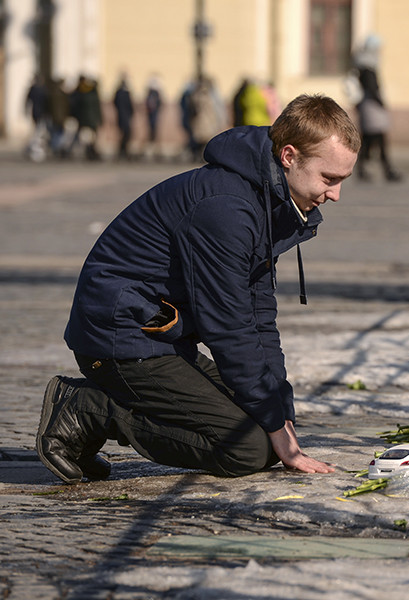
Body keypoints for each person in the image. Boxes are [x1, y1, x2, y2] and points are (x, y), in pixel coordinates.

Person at [35, 94, 361, 485]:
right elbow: (229, 326)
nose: (336, 195)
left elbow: (259, 315)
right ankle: (88, 409)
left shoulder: (268, 201)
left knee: (266, 418)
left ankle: (102, 410)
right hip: (119, 340)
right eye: (330, 179)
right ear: (289, 156)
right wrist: (275, 427)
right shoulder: (226, 208)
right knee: (247, 448)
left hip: (159, 336)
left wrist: (281, 412)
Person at [351, 35, 402, 182]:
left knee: (368, 140)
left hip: (367, 106)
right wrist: (381, 103)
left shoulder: (361, 64)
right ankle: (387, 170)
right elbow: (372, 88)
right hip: (372, 107)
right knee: (379, 138)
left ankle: (363, 170)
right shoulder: (367, 67)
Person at [68, 75, 103, 161]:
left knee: (84, 136)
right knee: (89, 137)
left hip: (84, 118)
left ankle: (88, 151)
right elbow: (97, 109)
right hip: (90, 119)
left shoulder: (83, 93)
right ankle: (90, 151)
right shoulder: (91, 94)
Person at [113, 73, 135, 161]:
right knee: (126, 133)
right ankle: (123, 151)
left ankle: (123, 150)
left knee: (125, 134)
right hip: (124, 116)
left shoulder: (119, 92)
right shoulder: (125, 93)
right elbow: (129, 105)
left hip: (122, 115)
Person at [144, 74, 163, 160]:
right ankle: (152, 150)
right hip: (152, 117)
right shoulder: (154, 93)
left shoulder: (151, 93)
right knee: (152, 132)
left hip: (153, 116)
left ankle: (153, 150)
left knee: (153, 132)